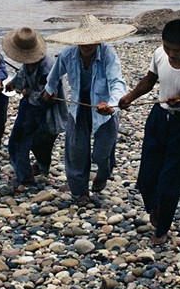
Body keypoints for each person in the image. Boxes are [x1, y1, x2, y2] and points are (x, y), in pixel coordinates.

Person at [119, 20, 180, 247]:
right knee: (146, 179)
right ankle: (155, 206)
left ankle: (162, 228)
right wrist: (130, 97)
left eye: (177, 50)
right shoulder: (159, 54)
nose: (171, 55)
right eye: (167, 48)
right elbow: (150, 80)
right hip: (158, 118)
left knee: (171, 180)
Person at [43, 15, 133, 206]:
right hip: (78, 106)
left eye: (92, 42)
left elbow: (116, 81)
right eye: (84, 42)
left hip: (105, 107)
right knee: (76, 150)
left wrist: (113, 104)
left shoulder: (108, 54)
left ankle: (104, 171)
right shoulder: (68, 54)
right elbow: (54, 74)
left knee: (102, 153)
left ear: (99, 40)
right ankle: (80, 192)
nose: (87, 46)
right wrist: (48, 90)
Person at [3, 27, 67, 191]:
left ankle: (37, 169)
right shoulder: (28, 64)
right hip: (28, 108)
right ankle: (25, 175)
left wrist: (27, 92)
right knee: (17, 142)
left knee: (40, 143)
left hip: (45, 113)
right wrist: (13, 83)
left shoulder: (47, 68)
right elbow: (22, 73)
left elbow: (46, 98)